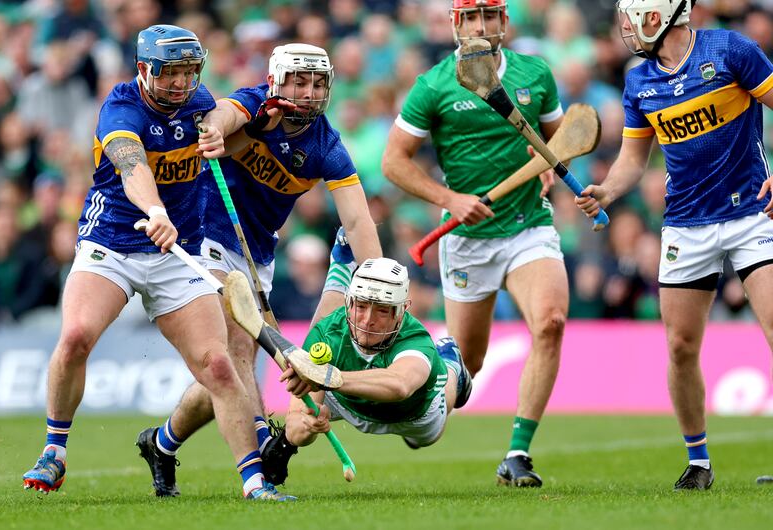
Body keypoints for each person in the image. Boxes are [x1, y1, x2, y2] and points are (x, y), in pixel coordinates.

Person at [21, 25, 307, 502]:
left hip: (178, 253)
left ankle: (255, 484)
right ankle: (55, 450)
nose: (180, 83)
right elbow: (133, 167)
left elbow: (236, 112)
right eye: (169, 72)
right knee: (74, 337)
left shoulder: (198, 103)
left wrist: (234, 129)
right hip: (113, 243)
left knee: (218, 366)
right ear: (143, 70)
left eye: (188, 72)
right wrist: (155, 210)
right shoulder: (120, 108)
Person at [136, 43, 382, 497]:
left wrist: (378, 283)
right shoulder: (255, 104)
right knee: (236, 352)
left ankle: (162, 442)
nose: (308, 93)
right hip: (204, 234)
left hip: (257, 254)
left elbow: (357, 220)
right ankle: (260, 457)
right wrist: (213, 131)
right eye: (299, 81)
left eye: (317, 84)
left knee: (225, 372)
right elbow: (223, 115)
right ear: (277, 80)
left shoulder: (326, 143)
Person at [576, 0, 773, 490]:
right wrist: (609, 190)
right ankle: (698, 460)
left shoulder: (730, 51)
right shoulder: (639, 81)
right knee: (682, 346)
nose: (624, 27)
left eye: (630, 16)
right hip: (686, 224)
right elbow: (632, 159)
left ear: (657, 15)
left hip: (752, 212)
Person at [381, 0, 566, 487]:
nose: (480, 26)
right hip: (466, 239)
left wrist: (545, 161)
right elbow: (394, 162)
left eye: (489, 16)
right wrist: (449, 198)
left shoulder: (535, 73)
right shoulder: (434, 85)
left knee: (550, 322)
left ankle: (518, 455)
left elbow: (563, 136)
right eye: (470, 17)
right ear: (454, 24)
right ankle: (422, 414)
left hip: (529, 225)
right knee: (468, 364)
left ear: (504, 23)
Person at [262, 256, 473, 486]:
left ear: (400, 312)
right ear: (349, 302)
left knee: (429, 432)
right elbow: (297, 423)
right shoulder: (326, 334)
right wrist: (307, 426)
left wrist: (329, 378)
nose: (367, 320)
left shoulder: (415, 338)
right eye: (361, 306)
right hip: (343, 400)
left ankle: (453, 365)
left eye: (382, 311)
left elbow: (399, 385)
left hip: (414, 414)